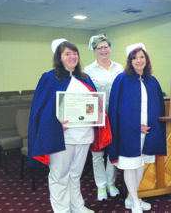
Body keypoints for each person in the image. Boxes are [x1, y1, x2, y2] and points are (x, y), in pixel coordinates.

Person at [28, 39, 111, 213]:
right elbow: (40, 110)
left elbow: (96, 105)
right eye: (67, 54)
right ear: (59, 57)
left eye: (75, 53)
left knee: (75, 175)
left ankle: (78, 207)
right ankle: (62, 210)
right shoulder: (49, 78)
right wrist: (55, 123)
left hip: (84, 135)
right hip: (61, 137)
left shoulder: (85, 78)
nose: (72, 57)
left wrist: (98, 115)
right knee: (59, 176)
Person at [108, 43, 166, 213]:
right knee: (130, 165)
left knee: (140, 165)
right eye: (135, 58)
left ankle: (131, 198)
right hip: (129, 132)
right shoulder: (121, 79)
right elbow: (117, 109)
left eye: (141, 57)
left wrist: (153, 127)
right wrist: (134, 126)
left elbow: (158, 107)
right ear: (130, 61)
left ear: (147, 59)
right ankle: (135, 202)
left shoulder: (152, 80)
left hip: (148, 131)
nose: (138, 60)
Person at [84, 34, 123, 201]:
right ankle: (100, 186)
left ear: (110, 48)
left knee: (113, 150)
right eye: (99, 47)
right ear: (94, 50)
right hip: (97, 115)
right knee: (98, 153)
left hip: (115, 114)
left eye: (106, 46)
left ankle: (111, 183)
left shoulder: (119, 68)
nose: (103, 50)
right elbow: (86, 93)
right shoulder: (88, 70)